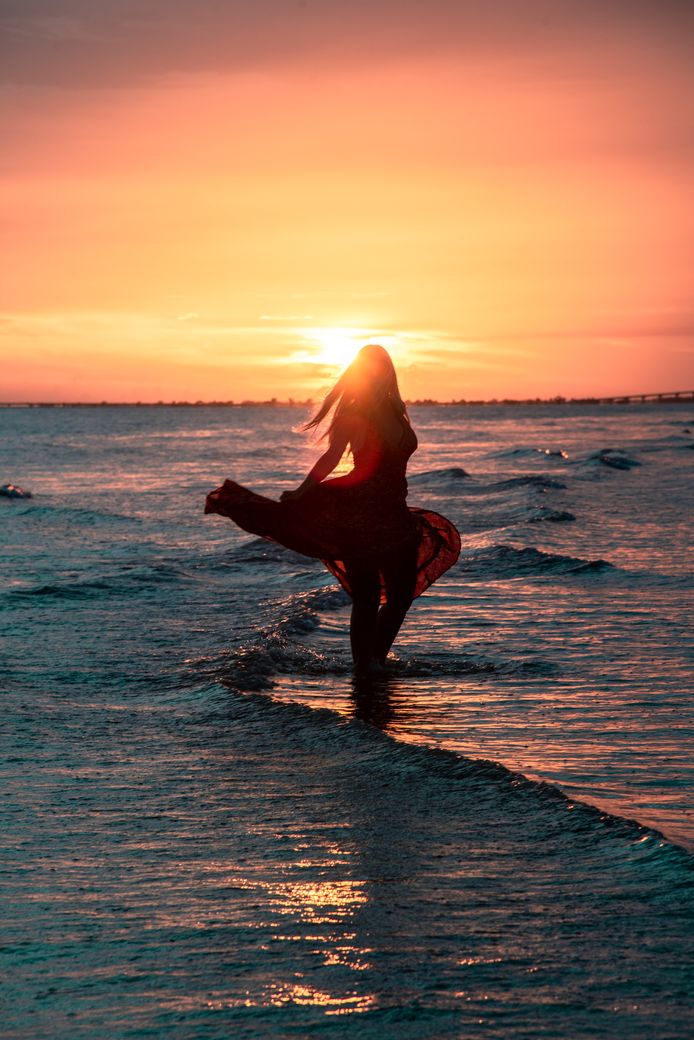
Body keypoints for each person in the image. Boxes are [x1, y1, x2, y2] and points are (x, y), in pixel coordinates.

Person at [205, 345, 460, 673]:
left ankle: (374, 663)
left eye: (382, 367)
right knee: (367, 599)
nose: (377, 373)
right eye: (370, 368)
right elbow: (331, 457)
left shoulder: (397, 410)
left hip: (394, 515)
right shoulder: (354, 413)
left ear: (388, 372)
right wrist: (302, 491)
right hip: (356, 516)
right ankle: (364, 669)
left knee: (400, 598)